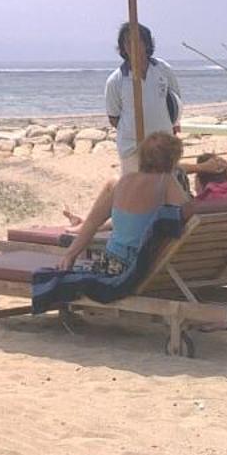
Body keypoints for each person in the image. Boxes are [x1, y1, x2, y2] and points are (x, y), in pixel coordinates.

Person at [31, 130, 192, 312]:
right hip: (137, 267)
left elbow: (92, 223)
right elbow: (189, 213)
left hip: (110, 264)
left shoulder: (121, 182)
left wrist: (70, 255)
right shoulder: (166, 182)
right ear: (172, 160)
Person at [103, 21, 180, 174]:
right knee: (136, 192)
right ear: (123, 47)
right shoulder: (116, 80)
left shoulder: (163, 70)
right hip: (132, 148)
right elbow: (114, 117)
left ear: (146, 43)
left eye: (138, 41)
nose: (133, 46)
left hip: (163, 145)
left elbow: (175, 100)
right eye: (128, 42)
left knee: (164, 190)